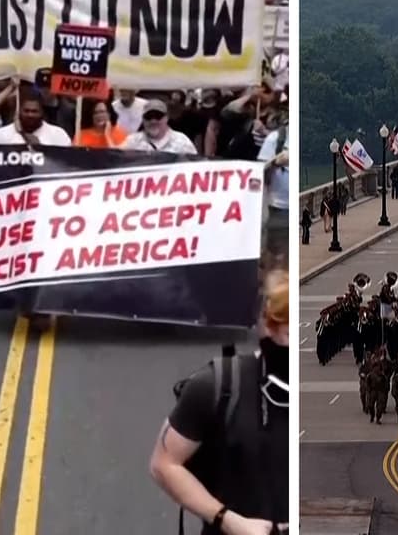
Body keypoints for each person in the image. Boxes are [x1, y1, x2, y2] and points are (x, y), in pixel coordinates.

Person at [150, 271, 289, 534]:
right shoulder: (215, 386)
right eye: (287, 334)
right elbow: (164, 464)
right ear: (267, 328)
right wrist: (230, 521)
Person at [0, 90, 71, 146]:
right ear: (19, 111)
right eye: (26, 111)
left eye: (34, 111)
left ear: (42, 113)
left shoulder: (58, 135)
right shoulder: (1, 135)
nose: (30, 115)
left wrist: (23, 134)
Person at [257, 121, 288, 266]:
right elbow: (258, 176)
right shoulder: (275, 139)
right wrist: (275, 162)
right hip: (278, 208)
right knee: (276, 259)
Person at [123, 99, 198, 154]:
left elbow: (194, 167)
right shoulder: (131, 142)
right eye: (149, 117)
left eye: (158, 116)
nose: (153, 121)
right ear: (143, 119)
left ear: (167, 118)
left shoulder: (182, 142)